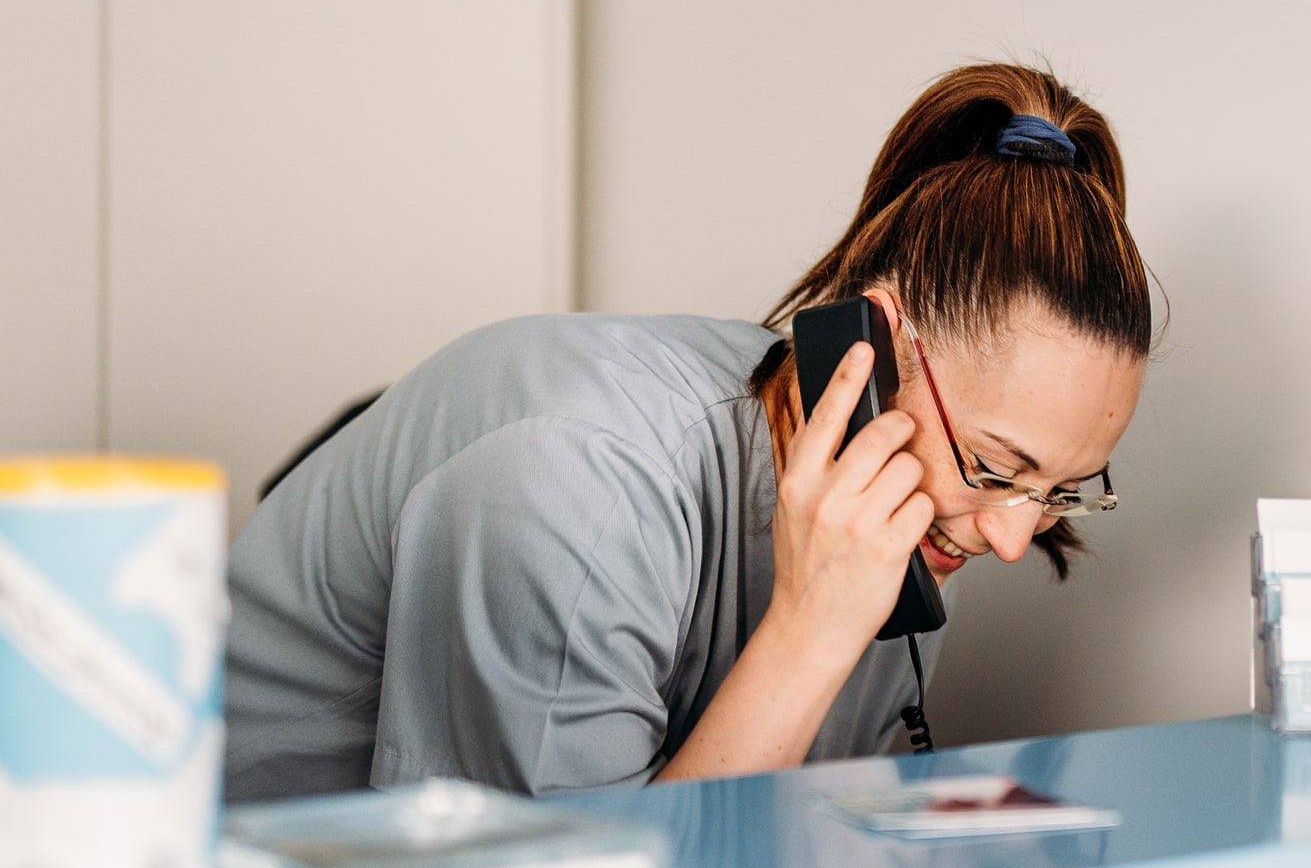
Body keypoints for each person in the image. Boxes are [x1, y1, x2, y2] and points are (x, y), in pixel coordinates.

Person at [222, 64, 1153, 799]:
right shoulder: (575, 480)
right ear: (868, 351)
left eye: (1060, 491)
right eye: (996, 466)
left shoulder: (902, 521)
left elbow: (785, 853)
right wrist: (813, 631)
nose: (1011, 536)